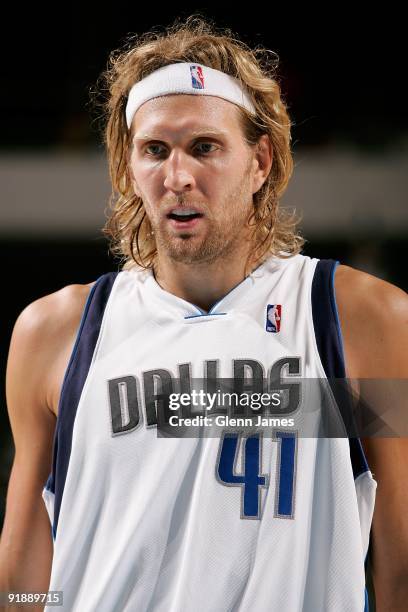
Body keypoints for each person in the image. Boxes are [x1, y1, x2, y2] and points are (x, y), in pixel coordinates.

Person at [0, 15, 407, 612]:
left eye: (205, 147)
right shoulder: (59, 334)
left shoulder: (357, 323)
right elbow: (25, 579)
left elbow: (401, 561)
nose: (179, 176)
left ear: (260, 161)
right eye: (155, 150)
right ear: (129, 170)